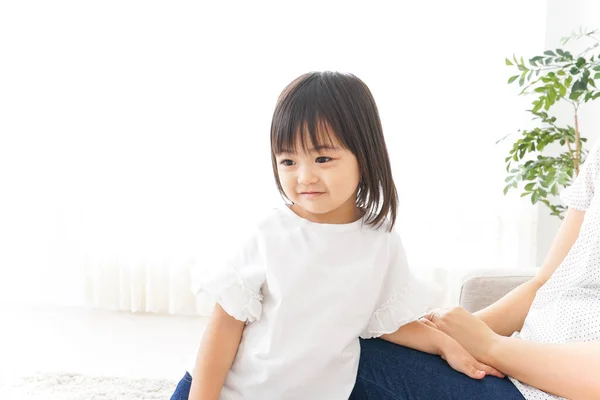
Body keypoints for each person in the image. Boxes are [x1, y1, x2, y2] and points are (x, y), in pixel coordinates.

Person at [169, 71, 503, 400]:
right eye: (287, 161)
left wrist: (445, 344)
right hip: (229, 389)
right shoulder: (268, 234)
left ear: (364, 154)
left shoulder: (380, 240)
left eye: (323, 158)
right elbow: (224, 328)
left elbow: (383, 322)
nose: (304, 177)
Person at [352, 138, 600, 399]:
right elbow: (545, 283)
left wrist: (488, 345)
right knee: (351, 340)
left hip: (546, 389)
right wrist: (448, 337)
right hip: (512, 367)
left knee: (350, 360)